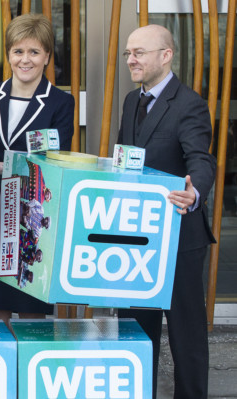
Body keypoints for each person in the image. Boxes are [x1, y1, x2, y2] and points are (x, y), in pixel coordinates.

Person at [117, 24, 216, 399]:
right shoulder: (131, 100)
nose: (131, 59)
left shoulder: (190, 104)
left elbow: (201, 160)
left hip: (179, 240)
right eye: (128, 53)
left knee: (186, 337)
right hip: (137, 239)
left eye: (139, 52)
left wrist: (195, 193)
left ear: (166, 55)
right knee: (137, 334)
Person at [0, 13, 74, 323]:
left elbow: (53, 163)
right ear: (8, 54)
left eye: (34, 52)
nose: (25, 59)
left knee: (32, 312)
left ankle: (28, 372)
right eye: (18, 51)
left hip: (32, 221)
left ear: (47, 56)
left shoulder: (61, 103)